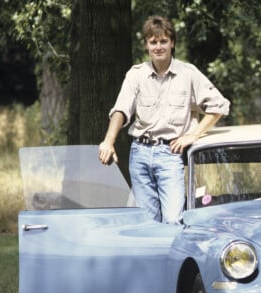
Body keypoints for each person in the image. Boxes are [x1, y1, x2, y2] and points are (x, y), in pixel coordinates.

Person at [98, 15, 230, 224]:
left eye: (163, 41)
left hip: (170, 154)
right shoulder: (136, 75)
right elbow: (121, 110)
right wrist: (109, 141)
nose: (158, 47)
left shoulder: (188, 74)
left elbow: (220, 106)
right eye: (153, 42)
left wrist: (192, 135)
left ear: (172, 43)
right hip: (139, 154)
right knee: (147, 222)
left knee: (173, 220)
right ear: (146, 45)